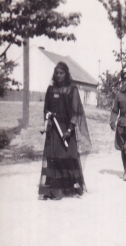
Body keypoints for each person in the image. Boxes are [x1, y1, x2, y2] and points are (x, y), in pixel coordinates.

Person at [38, 62, 91, 200]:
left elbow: (76, 112)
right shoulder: (51, 89)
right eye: (57, 73)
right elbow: (46, 110)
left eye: (61, 73)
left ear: (66, 74)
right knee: (53, 158)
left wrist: (69, 129)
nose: (58, 76)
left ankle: (71, 188)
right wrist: (47, 121)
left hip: (67, 130)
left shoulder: (71, 89)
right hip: (53, 131)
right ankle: (55, 191)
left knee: (67, 157)